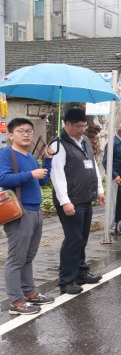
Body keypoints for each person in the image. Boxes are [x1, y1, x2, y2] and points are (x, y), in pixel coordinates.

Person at [0, 118, 55, 315]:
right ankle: (15, 302)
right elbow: (3, 178)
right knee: (16, 258)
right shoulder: (6, 154)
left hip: (36, 210)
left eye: (29, 131)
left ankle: (29, 293)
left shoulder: (30, 156)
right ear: (11, 134)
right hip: (19, 211)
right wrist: (31, 174)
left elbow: (43, 181)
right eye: (21, 131)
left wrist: (48, 159)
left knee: (29, 256)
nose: (26, 134)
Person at [50, 108, 105, 295]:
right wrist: (65, 201)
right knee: (73, 240)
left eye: (84, 126)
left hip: (85, 198)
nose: (83, 129)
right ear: (67, 125)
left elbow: (93, 165)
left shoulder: (85, 141)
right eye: (79, 126)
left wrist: (99, 190)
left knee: (82, 238)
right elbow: (57, 176)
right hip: (71, 201)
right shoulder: (58, 145)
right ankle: (66, 281)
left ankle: (81, 271)